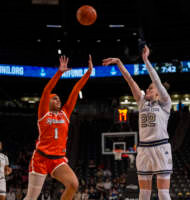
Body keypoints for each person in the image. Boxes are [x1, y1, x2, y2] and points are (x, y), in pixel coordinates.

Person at [102, 45, 172, 200]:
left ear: (158, 92)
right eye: (147, 88)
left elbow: (157, 81)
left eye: (151, 88)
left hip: (161, 147)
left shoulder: (165, 103)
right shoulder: (142, 102)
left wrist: (146, 60)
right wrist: (119, 63)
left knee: (163, 193)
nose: (148, 90)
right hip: (144, 149)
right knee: (144, 193)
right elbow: (130, 80)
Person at [23, 55, 93, 200]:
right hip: (40, 159)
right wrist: (59, 73)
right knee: (31, 198)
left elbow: (75, 90)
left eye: (59, 98)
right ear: (47, 101)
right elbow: (47, 90)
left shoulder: (65, 113)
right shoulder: (43, 114)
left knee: (73, 184)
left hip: (58, 160)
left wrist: (88, 73)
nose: (58, 100)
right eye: (54, 98)